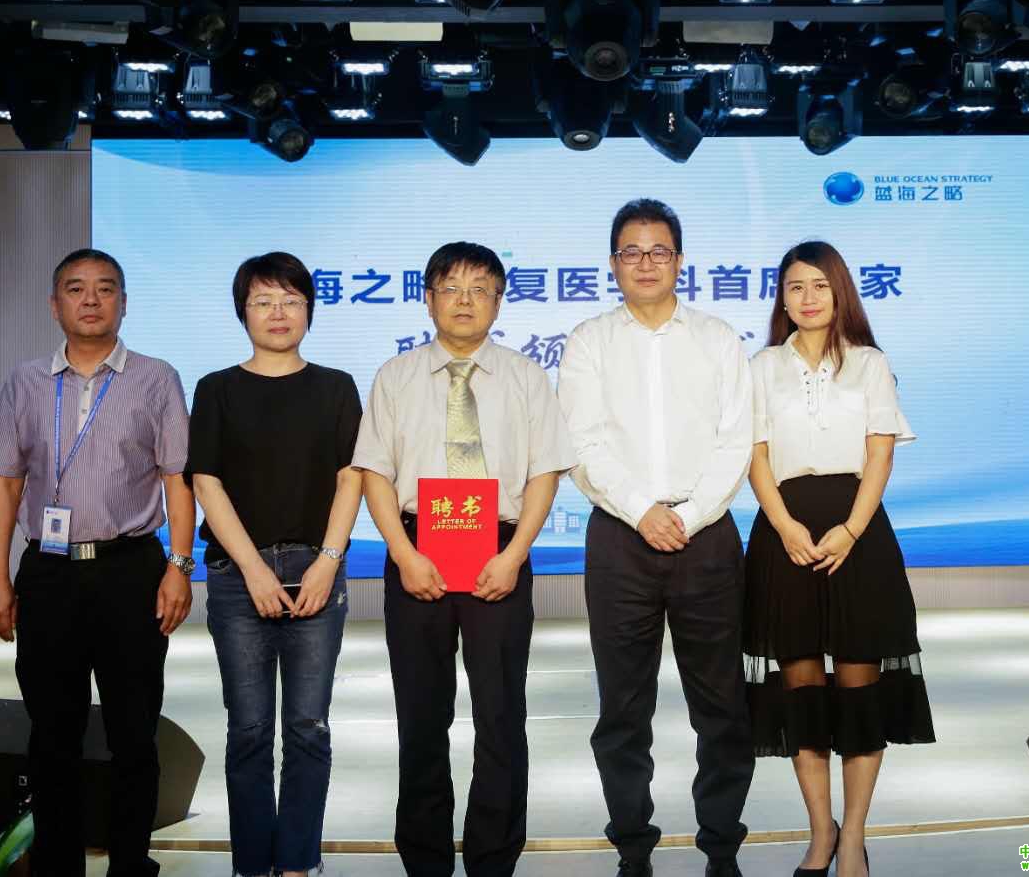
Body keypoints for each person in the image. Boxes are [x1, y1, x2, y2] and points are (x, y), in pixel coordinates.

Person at [351, 241, 576, 877]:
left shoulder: (526, 376)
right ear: (428, 299)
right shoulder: (395, 377)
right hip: (416, 551)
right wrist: (403, 554)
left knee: (501, 714)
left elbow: (544, 473)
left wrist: (515, 555)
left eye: (481, 289)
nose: (465, 301)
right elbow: (374, 472)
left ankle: (493, 857)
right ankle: (424, 859)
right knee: (421, 715)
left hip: (498, 551)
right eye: (451, 288)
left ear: (499, 302)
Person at [0, 248, 195, 877]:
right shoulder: (24, 382)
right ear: (55, 306)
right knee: (52, 735)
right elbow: (3, 484)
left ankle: (130, 864)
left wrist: (180, 566)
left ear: (124, 303)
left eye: (105, 288)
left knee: (134, 734)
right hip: (49, 574)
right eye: (76, 289)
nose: (91, 300)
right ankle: (57, 866)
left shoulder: (156, 378)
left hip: (132, 570)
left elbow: (178, 479)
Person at [557, 199, 756, 877]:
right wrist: (642, 511)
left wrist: (689, 514)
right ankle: (633, 849)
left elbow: (736, 439)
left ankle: (721, 848)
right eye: (632, 252)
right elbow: (581, 441)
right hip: (620, 538)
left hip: (707, 538)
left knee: (722, 705)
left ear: (680, 261)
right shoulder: (589, 341)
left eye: (659, 251)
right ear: (613, 263)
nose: (646, 263)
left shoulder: (717, 338)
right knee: (622, 709)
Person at [742, 240, 935, 877]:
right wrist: (784, 526)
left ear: (841, 292)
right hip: (786, 535)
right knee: (800, 688)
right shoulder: (761, 366)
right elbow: (755, 454)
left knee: (858, 687)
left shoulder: (870, 363)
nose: (808, 298)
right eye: (795, 286)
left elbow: (880, 452)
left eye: (820, 285)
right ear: (782, 297)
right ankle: (820, 832)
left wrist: (851, 529)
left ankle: (853, 836)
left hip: (858, 534)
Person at [185, 252, 363, 877]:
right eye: (263, 301)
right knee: (249, 730)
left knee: (309, 727)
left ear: (309, 309)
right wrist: (254, 570)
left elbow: (351, 477)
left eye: (290, 300)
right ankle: (252, 864)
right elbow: (205, 481)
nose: (278, 313)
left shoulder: (337, 386)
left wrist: (328, 561)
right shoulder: (216, 388)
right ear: (243, 313)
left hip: (318, 571)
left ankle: (297, 863)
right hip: (239, 580)